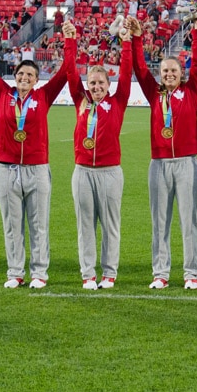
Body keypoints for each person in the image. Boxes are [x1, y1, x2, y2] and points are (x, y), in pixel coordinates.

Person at [0, 12, 71, 289]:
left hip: (37, 170)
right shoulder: (2, 93)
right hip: (6, 169)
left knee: (39, 224)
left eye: (30, 74)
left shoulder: (44, 96)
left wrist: (70, 41)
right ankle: (15, 272)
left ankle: (39, 273)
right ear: (15, 76)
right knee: (12, 225)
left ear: (37, 80)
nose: (25, 77)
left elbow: (65, 72)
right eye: (21, 73)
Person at [129, 12, 197, 290]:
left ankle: (191, 273)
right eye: (165, 71)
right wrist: (137, 38)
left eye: (174, 70)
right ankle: (160, 272)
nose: (169, 74)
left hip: (187, 163)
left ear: (181, 74)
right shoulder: (154, 93)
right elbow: (139, 68)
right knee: (159, 221)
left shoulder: (193, 90)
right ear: (160, 76)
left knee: (190, 220)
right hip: (159, 164)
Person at [64, 19, 132, 290]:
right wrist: (70, 41)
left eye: (101, 82)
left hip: (110, 173)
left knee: (110, 225)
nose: (96, 86)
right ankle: (88, 274)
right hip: (82, 172)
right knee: (85, 227)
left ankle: (110, 273)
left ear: (108, 83)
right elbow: (70, 73)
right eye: (92, 82)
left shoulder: (117, 102)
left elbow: (126, 74)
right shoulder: (81, 101)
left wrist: (127, 42)